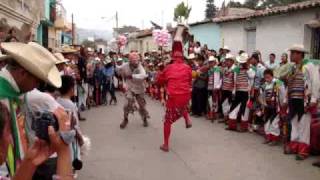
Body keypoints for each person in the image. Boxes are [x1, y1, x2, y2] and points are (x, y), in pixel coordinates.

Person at [0, 42, 72, 179]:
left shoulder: (16, 94)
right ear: (22, 73)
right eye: (38, 81)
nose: (37, 86)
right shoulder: (3, 98)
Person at [157, 25, 192, 152]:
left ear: (172, 56)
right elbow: (189, 81)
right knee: (182, 104)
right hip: (185, 95)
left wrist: (161, 71)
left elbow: (159, 82)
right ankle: (187, 118)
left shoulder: (168, 68)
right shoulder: (187, 67)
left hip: (174, 97)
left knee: (167, 121)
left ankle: (166, 144)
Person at [284, 44, 319, 160]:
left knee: (304, 125)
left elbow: (315, 83)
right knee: (294, 124)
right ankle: (294, 146)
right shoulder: (293, 68)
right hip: (293, 100)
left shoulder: (309, 66)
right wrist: (285, 99)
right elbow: (290, 85)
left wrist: (314, 99)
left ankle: (303, 151)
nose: (290, 55)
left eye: (292, 53)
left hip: (304, 101)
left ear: (299, 54)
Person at [117, 52, 150, 129]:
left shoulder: (140, 66)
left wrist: (132, 76)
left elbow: (143, 75)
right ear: (130, 61)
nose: (136, 63)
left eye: (137, 61)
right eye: (134, 61)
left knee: (142, 105)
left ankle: (144, 118)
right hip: (130, 87)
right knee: (126, 104)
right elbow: (119, 70)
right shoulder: (125, 66)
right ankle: (125, 119)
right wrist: (122, 79)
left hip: (139, 87)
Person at [227, 53, 255, 132]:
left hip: (246, 92)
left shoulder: (251, 69)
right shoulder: (237, 69)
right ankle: (232, 125)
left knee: (244, 110)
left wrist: (248, 67)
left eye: (244, 62)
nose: (242, 63)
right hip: (238, 91)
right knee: (233, 108)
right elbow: (235, 80)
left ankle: (243, 127)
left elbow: (252, 77)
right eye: (241, 62)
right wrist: (234, 91)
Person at [261, 69, 286, 146]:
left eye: (268, 77)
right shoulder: (265, 84)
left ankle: (274, 139)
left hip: (276, 106)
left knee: (274, 123)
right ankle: (268, 138)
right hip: (268, 106)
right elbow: (262, 95)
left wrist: (282, 105)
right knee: (267, 122)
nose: (266, 79)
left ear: (272, 75)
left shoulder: (278, 82)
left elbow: (283, 94)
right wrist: (263, 104)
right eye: (265, 77)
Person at [219, 53, 236, 123]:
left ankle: (229, 119)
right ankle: (225, 117)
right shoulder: (225, 69)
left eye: (228, 60)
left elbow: (235, 80)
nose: (226, 62)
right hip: (224, 88)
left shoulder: (234, 69)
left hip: (230, 90)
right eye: (226, 60)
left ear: (232, 61)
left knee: (230, 104)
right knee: (223, 103)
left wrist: (234, 91)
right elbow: (222, 79)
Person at [206, 56, 221, 121]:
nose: (210, 63)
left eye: (211, 62)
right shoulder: (210, 69)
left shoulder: (217, 69)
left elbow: (219, 79)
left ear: (214, 62)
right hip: (210, 87)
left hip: (214, 87)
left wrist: (217, 87)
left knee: (215, 101)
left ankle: (214, 114)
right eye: (209, 62)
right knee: (210, 101)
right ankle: (211, 113)